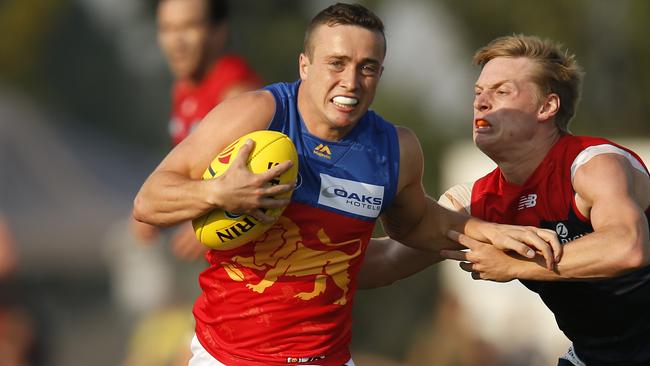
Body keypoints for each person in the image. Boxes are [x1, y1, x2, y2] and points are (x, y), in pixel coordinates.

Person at [133, 5, 559, 365]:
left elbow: (416, 227)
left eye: (367, 68)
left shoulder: (396, 149)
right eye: (336, 63)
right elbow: (149, 200)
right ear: (305, 65)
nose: (351, 82)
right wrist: (217, 193)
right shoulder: (256, 113)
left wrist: (493, 231)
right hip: (225, 357)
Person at [361, 34, 650, 366]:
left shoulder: (592, 164)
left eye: (501, 92)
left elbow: (629, 246)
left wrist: (515, 265)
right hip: (595, 356)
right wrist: (295, 241)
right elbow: (384, 262)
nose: (481, 103)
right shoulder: (477, 202)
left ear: (547, 106)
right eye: (479, 92)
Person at [130, 0, 262, 259]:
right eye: (167, 29)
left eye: (189, 27)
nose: (176, 41)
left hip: (257, 262)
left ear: (218, 32)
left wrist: (214, 221)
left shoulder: (236, 90)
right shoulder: (182, 89)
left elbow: (261, 172)